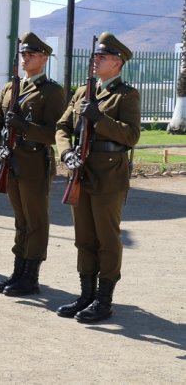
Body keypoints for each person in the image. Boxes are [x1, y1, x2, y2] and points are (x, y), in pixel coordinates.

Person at [55, 31, 140, 323]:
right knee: (84, 238)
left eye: (102, 57)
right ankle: (86, 295)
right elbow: (62, 127)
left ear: (117, 63)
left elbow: (131, 136)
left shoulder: (126, 95)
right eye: (95, 56)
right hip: (81, 171)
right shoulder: (82, 92)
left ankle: (104, 300)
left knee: (106, 237)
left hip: (108, 175)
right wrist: (66, 153)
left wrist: (100, 119)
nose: (96, 60)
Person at [0, 32, 66, 296]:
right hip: (10, 160)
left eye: (31, 55)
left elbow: (55, 132)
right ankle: (18, 270)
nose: (25, 58)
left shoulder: (51, 91)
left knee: (35, 221)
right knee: (20, 220)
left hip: (33, 163)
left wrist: (26, 127)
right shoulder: (11, 87)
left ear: (43, 58)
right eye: (23, 54)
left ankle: (31, 275)